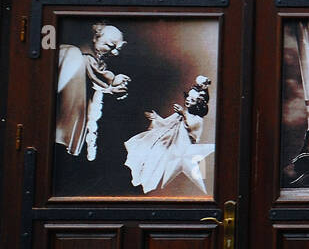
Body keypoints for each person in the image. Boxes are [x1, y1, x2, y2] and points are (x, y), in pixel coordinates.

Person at [123, 76, 213, 194]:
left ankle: (142, 182)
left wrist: (183, 113)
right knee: (143, 149)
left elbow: (191, 128)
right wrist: (156, 118)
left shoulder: (197, 119)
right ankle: (136, 178)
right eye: (188, 98)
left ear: (198, 104)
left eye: (192, 100)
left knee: (155, 162)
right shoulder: (180, 114)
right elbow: (165, 123)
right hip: (165, 140)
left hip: (177, 148)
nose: (188, 101)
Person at [56, 22, 130, 162]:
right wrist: (112, 84)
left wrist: (112, 83)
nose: (114, 52)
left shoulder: (96, 57)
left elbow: (98, 76)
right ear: (95, 38)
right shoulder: (83, 55)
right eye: (110, 46)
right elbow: (96, 76)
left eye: (117, 49)